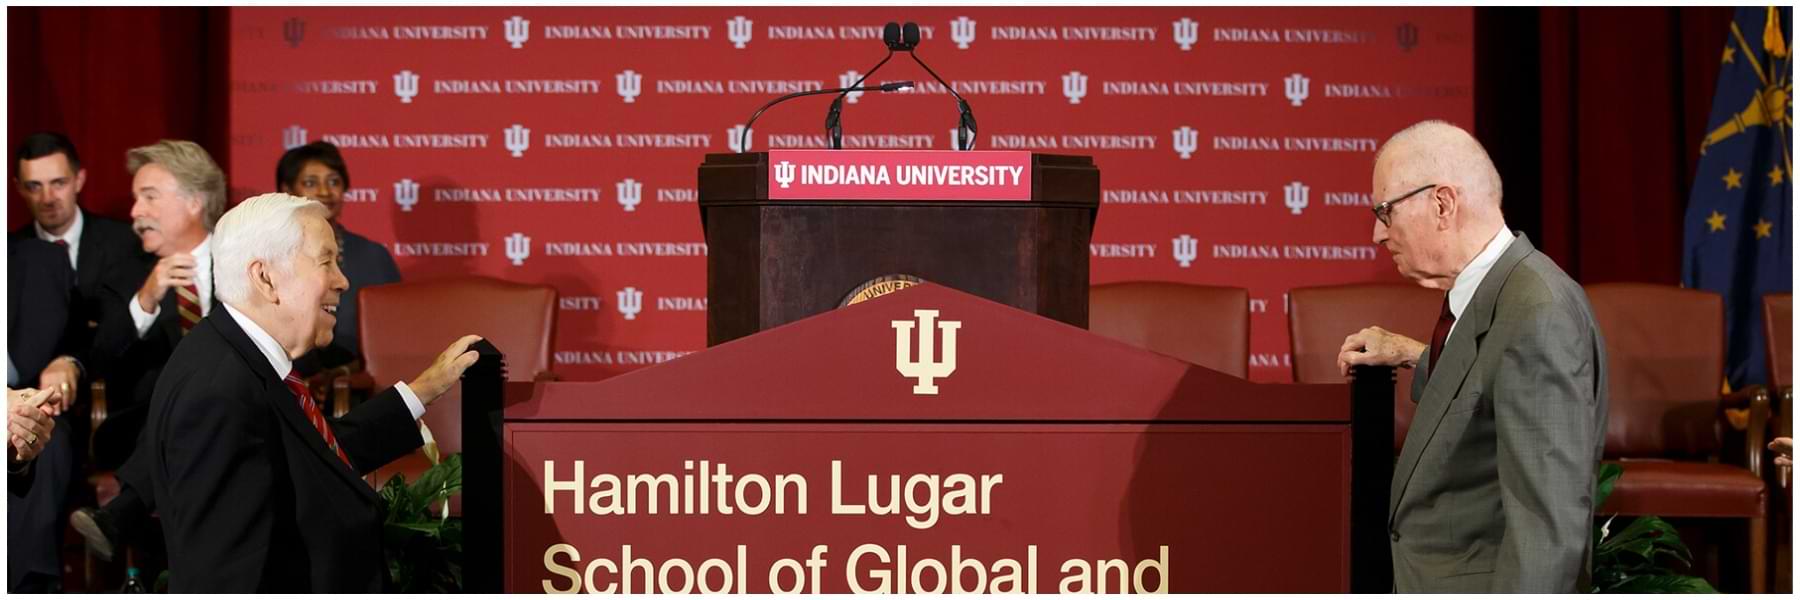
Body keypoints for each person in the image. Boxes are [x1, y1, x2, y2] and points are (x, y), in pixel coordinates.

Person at [137, 193, 479, 591]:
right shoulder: (220, 392)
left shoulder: (240, 358)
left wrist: (425, 388)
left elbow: (313, 456)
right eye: (325, 262)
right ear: (265, 278)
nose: (343, 280)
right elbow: (226, 577)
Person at [1337, 120, 1608, 593]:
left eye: (1385, 211)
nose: (1378, 234)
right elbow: (1488, 395)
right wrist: (1409, 352)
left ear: (1442, 204)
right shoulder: (1499, 295)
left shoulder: (1537, 312)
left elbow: (1547, 530)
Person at [10, 132, 143, 405]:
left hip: (112, 389)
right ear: (19, 188)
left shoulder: (123, 243)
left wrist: (73, 361)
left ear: (79, 180)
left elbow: (125, 325)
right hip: (34, 396)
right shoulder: (12, 253)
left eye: (58, 183)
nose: (47, 198)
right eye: (34, 186)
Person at [274, 141, 400, 377]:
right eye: (311, 183)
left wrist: (341, 374)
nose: (324, 191)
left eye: (334, 182)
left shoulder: (373, 257)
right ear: (287, 191)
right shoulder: (271, 256)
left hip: (359, 392)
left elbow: (394, 341)